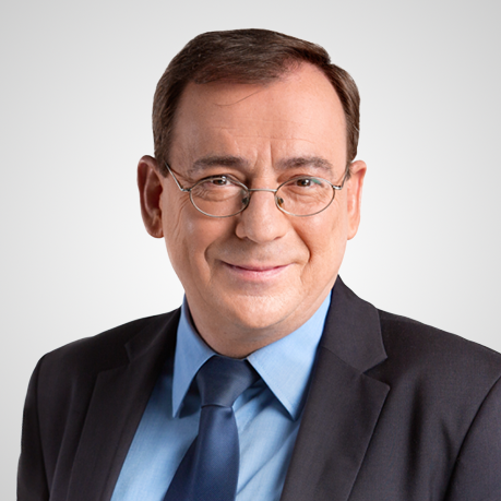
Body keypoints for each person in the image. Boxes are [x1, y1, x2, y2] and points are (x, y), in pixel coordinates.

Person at [18, 28, 501, 501]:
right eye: (219, 180)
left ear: (351, 200)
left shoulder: (474, 403)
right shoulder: (64, 385)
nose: (260, 227)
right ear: (154, 198)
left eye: (304, 182)